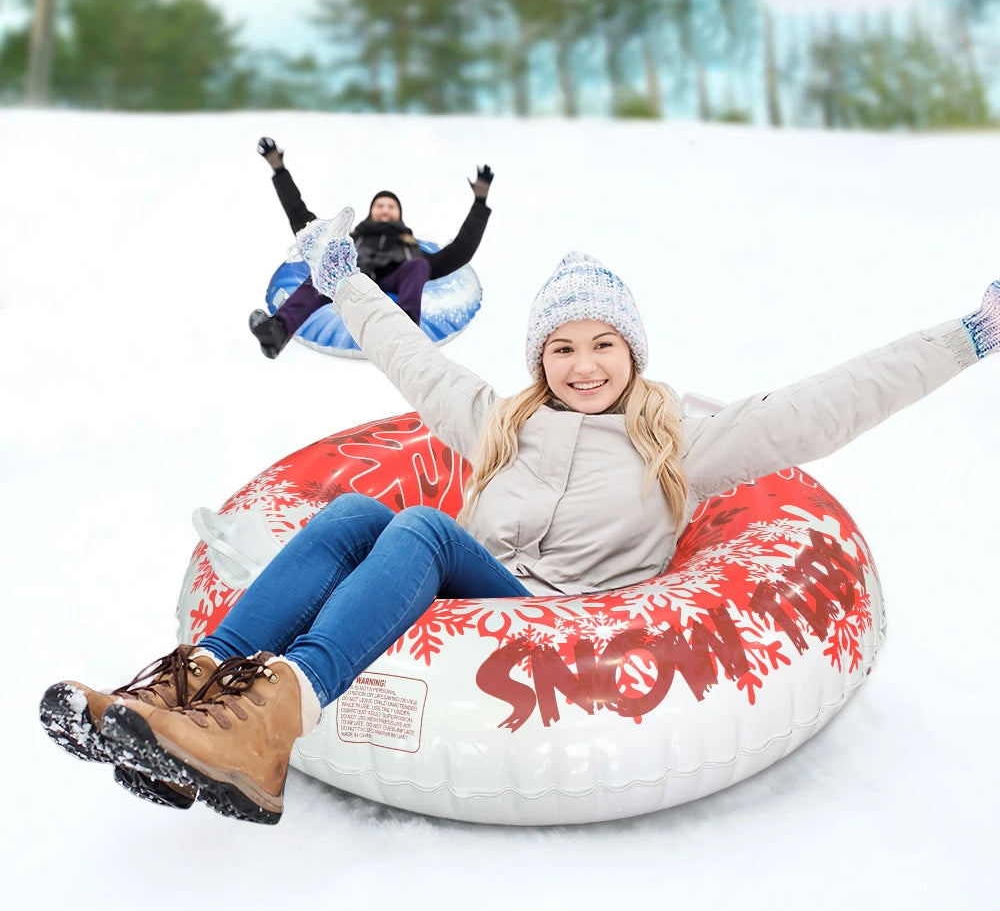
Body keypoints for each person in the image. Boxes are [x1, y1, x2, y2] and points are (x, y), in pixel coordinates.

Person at [39, 219, 1000, 825]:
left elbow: (829, 404)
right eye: (563, 348)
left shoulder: (682, 443)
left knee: (420, 528)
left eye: (604, 344)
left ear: (633, 352)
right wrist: (347, 282)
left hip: (560, 623)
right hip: (465, 596)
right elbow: (415, 361)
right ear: (541, 357)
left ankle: (278, 717)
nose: (585, 366)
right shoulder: (504, 423)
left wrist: (971, 336)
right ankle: (191, 691)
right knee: (356, 511)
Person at [248, 137, 495, 358]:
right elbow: (303, 221)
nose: (385, 209)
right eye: (380, 205)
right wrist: (279, 169)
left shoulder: (412, 250)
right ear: (371, 212)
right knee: (324, 268)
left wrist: (480, 203)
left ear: (399, 214)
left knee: (419, 266)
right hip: (351, 275)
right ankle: (277, 331)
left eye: (391, 206)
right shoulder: (349, 240)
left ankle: (407, 340)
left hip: (397, 278)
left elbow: (460, 251)